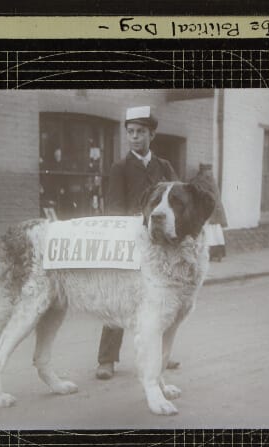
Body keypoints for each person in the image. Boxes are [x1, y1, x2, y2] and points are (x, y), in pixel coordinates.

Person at [96, 105, 180, 380]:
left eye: (140, 132)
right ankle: (106, 359)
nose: (134, 137)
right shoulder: (120, 168)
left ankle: (162, 354)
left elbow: (175, 201)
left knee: (161, 298)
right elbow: (114, 208)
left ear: (151, 134)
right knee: (120, 297)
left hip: (159, 244)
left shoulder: (164, 167)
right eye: (130, 132)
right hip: (130, 240)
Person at [193, 163, 228, 262]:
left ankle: (215, 253)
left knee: (213, 232)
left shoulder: (211, 182)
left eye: (210, 171)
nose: (209, 173)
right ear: (202, 171)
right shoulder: (198, 182)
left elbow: (216, 197)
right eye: (207, 171)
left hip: (213, 212)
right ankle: (212, 253)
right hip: (207, 211)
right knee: (210, 233)